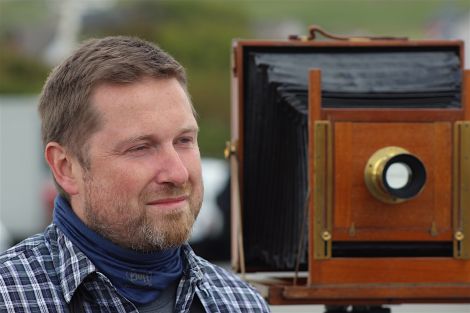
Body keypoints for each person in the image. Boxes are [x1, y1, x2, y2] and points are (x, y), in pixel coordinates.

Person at [0, 36, 270, 313]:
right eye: (141, 148)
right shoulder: (9, 298)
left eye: (184, 140)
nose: (177, 174)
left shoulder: (242, 304)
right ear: (65, 167)